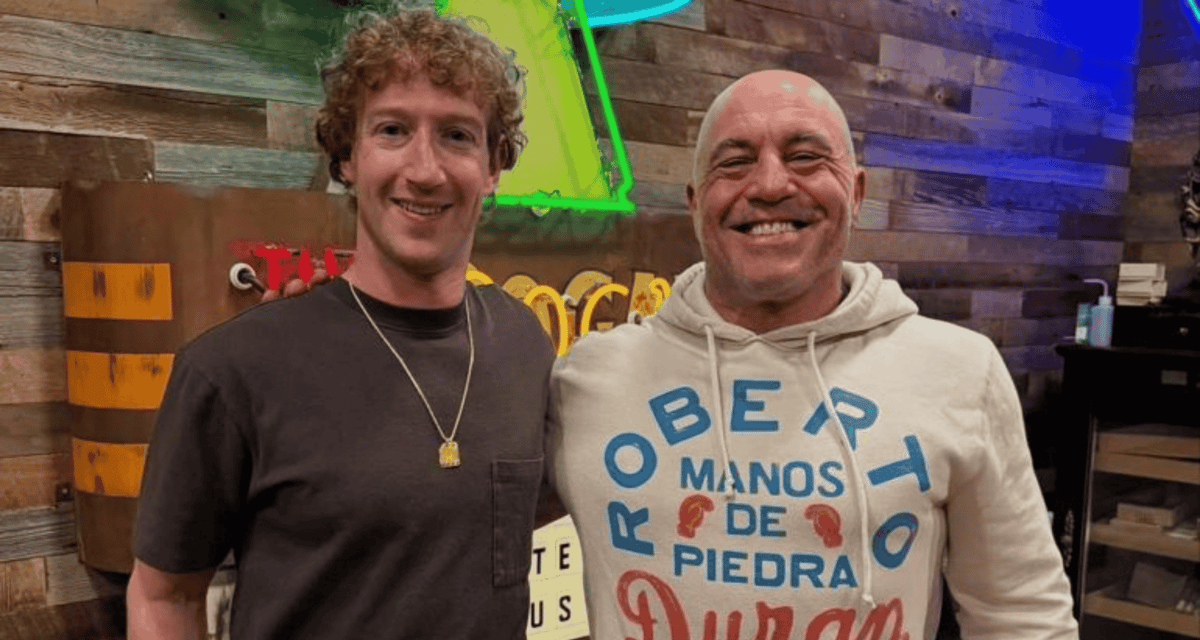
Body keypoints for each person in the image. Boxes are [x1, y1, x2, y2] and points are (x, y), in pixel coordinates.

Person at [548, 70, 1079, 639]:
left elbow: (1022, 616)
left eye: (805, 157)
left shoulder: (959, 372)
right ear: (696, 202)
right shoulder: (588, 378)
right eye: (734, 162)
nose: (771, 184)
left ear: (855, 191)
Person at [126, 8, 557, 639]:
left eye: (457, 136)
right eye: (392, 130)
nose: (425, 169)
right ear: (348, 156)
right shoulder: (234, 369)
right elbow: (163, 597)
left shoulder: (525, 343)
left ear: (493, 166)